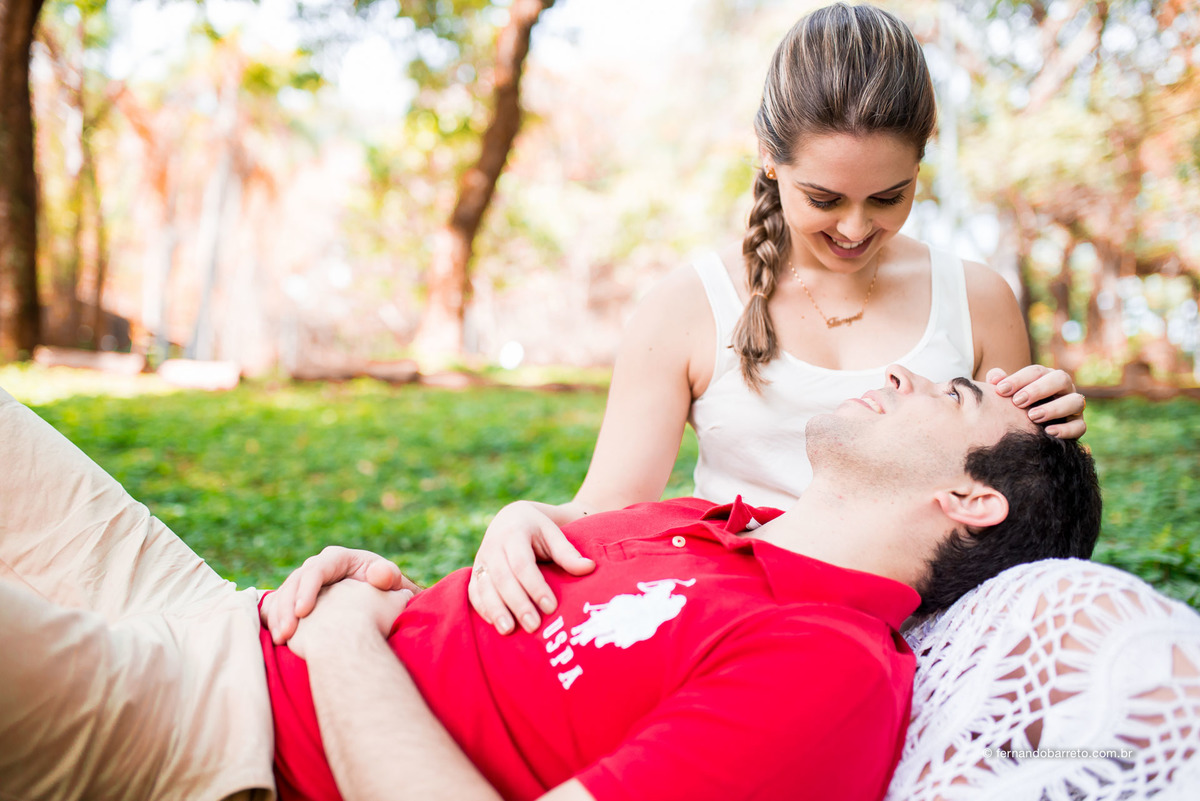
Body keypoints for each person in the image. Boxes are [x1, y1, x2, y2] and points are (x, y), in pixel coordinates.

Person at [0, 366, 1102, 801]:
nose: (907, 373)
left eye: (952, 393)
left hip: (216, 737)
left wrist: (343, 637)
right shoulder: (704, 521)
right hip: (214, 609)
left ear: (971, 502)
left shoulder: (828, 671)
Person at [466, 1, 1090, 638]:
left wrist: (1054, 425)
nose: (854, 228)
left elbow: (1016, 514)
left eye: (888, 197)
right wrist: (522, 516)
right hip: (741, 625)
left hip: (932, 631)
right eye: (824, 198)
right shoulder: (686, 308)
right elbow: (611, 507)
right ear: (769, 156)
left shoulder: (975, 297)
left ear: (918, 164)